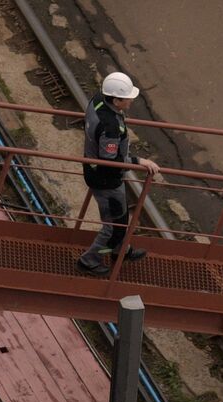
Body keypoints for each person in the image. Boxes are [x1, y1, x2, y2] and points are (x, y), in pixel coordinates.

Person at [77, 71, 162, 275]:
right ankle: (89, 261)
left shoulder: (98, 99)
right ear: (115, 100)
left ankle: (120, 250)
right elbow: (109, 161)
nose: (131, 101)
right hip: (106, 180)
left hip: (101, 174)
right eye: (127, 99)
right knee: (113, 226)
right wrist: (139, 161)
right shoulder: (110, 127)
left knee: (120, 218)